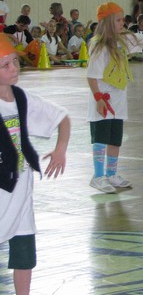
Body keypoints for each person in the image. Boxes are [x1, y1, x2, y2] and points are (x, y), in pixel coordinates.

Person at [0, 33, 70, 295]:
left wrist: (60, 150)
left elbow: (62, 117)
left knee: (24, 254)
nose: (14, 68)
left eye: (14, 62)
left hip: (21, 192)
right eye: (5, 65)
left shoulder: (22, 99)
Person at [87, 2, 143, 193]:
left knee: (115, 138)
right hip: (103, 99)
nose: (122, 23)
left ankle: (111, 173)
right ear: (107, 22)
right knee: (100, 137)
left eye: (123, 19)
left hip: (118, 99)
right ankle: (98, 176)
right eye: (118, 20)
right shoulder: (99, 45)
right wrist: (98, 98)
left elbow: (142, 38)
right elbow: (91, 76)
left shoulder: (122, 40)